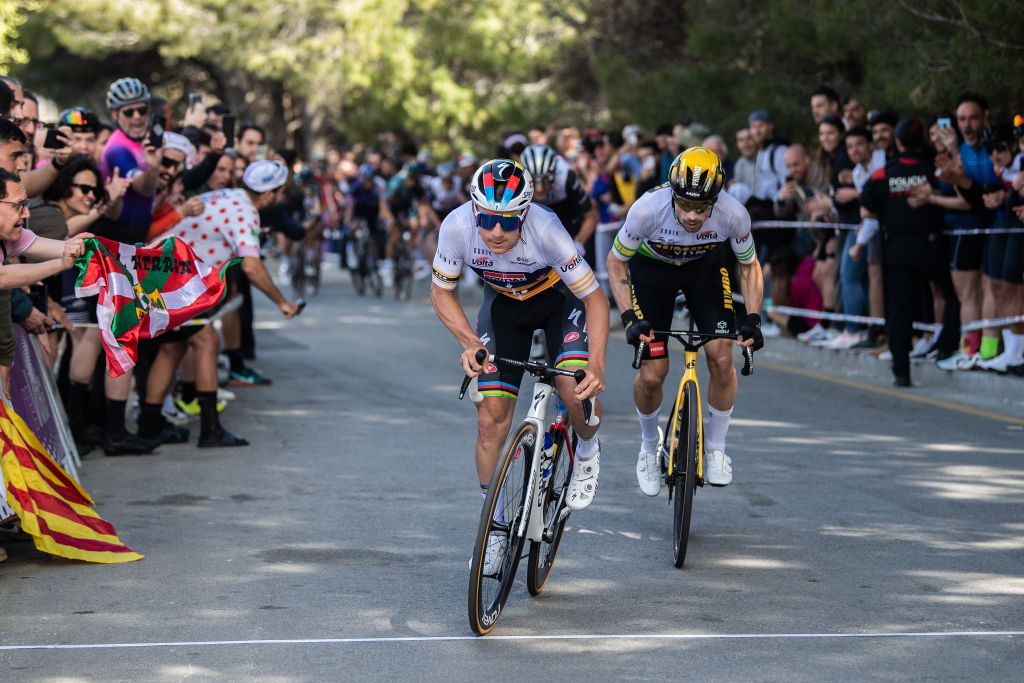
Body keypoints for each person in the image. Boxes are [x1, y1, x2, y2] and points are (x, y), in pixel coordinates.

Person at [430, 159, 608, 568]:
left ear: (525, 214)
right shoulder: (456, 227)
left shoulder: (546, 230)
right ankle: (494, 524)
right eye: (488, 219)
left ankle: (586, 448)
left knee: (573, 385)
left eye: (508, 222)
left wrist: (595, 364)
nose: (496, 231)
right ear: (474, 210)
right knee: (490, 418)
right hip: (503, 309)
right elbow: (441, 292)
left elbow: (596, 298)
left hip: (558, 303)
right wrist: (469, 341)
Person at [606, 146, 764, 492]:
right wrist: (630, 318)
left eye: (702, 208)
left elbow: (749, 266)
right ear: (673, 193)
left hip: (704, 270)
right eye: (685, 205)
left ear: (716, 200)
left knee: (722, 356)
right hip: (652, 274)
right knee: (653, 374)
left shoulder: (733, 214)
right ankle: (650, 446)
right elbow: (616, 262)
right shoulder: (647, 209)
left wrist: (753, 317)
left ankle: (717, 450)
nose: (692, 215)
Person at [860, 118, 960, 386]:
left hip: (898, 248)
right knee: (951, 296)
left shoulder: (884, 173)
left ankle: (901, 371)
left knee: (901, 309)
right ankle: (947, 347)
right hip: (930, 245)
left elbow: (866, 204)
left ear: (899, 142)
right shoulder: (934, 169)